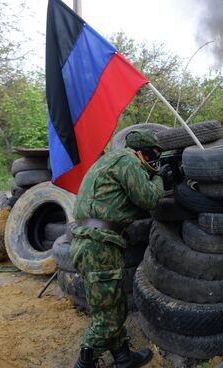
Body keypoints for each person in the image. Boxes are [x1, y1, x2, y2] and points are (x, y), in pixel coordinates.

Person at [70, 128, 168, 368]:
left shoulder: (109, 161)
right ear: (141, 152)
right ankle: (84, 363)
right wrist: (158, 176)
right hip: (99, 247)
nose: (154, 161)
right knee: (106, 318)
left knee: (113, 306)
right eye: (153, 156)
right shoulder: (128, 160)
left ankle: (123, 358)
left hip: (93, 243)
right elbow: (149, 199)